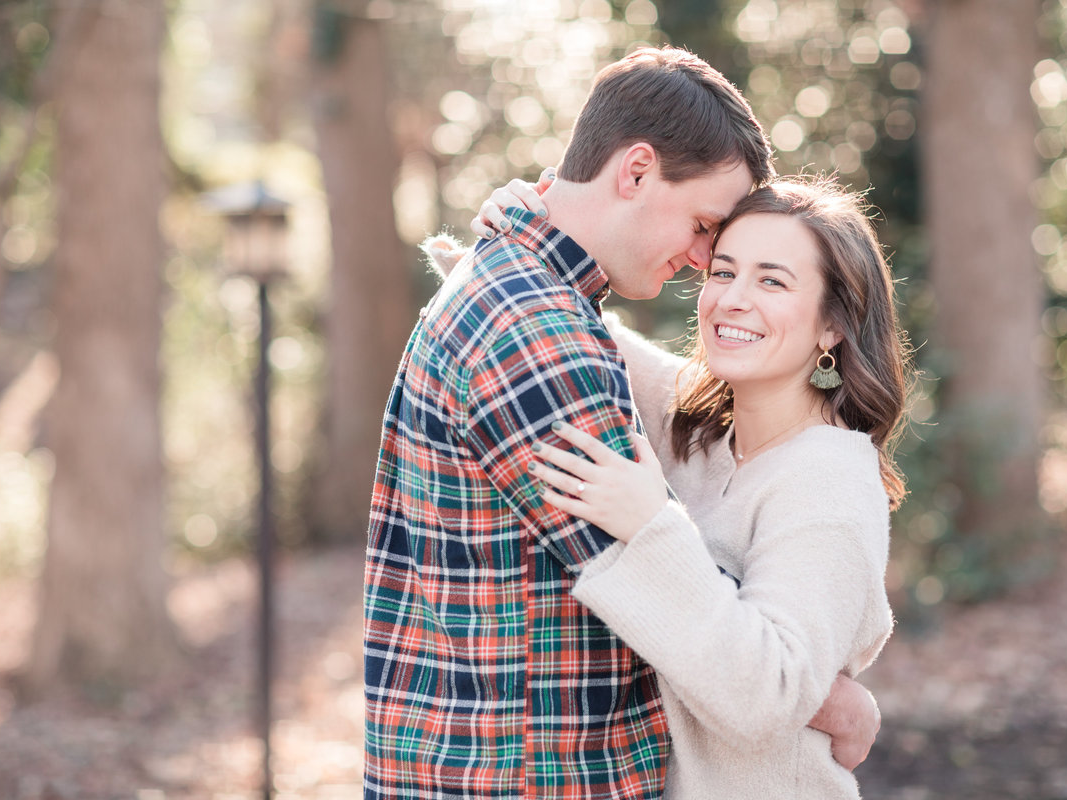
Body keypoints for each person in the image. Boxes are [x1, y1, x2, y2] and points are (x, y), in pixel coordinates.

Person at [365, 45, 876, 799]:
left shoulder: (542, 311)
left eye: (769, 277)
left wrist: (518, 226)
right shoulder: (540, 334)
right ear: (635, 172)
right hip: (520, 777)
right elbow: (665, 598)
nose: (708, 268)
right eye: (711, 236)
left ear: (833, 324)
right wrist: (833, 698)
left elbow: (680, 593)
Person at [461, 173, 910, 797]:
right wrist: (524, 225)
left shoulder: (828, 479)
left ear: (832, 325)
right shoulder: (696, 427)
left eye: (773, 280)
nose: (732, 299)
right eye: (723, 272)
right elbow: (551, 331)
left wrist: (651, 529)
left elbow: (768, 696)